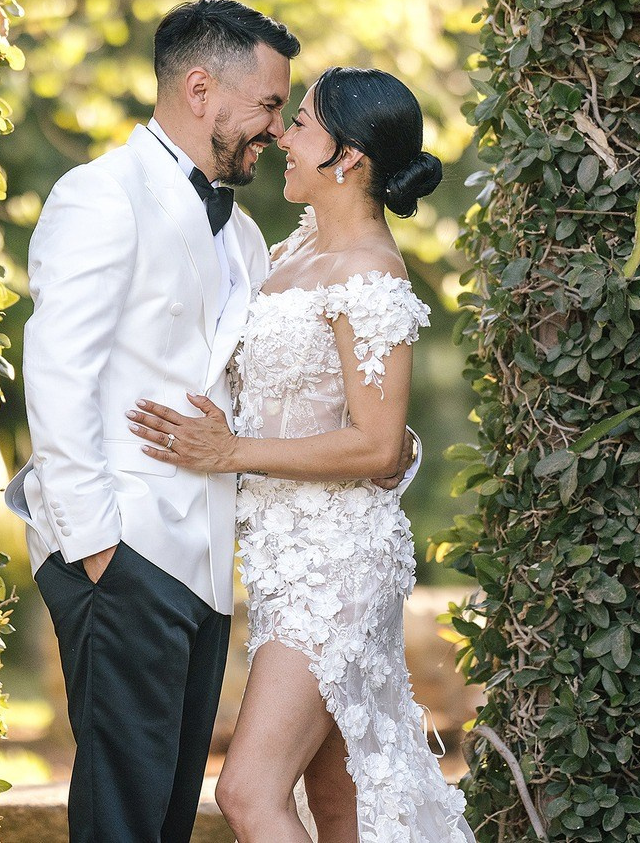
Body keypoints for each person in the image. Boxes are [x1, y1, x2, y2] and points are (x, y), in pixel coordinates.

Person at [4, 0, 413, 843]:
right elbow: (56, 372)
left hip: (211, 562)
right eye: (270, 107)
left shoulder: (251, 239)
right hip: (123, 552)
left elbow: (273, 392)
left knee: (163, 813)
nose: (274, 128)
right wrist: (93, 547)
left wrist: (389, 445)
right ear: (201, 89)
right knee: (125, 813)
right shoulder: (100, 196)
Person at [129, 66, 475, 843]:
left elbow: (379, 440)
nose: (281, 134)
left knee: (248, 793)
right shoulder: (294, 250)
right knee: (341, 804)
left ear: (347, 157)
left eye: (303, 124)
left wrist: (229, 450)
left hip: (339, 566)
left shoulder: (372, 276)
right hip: (285, 562)